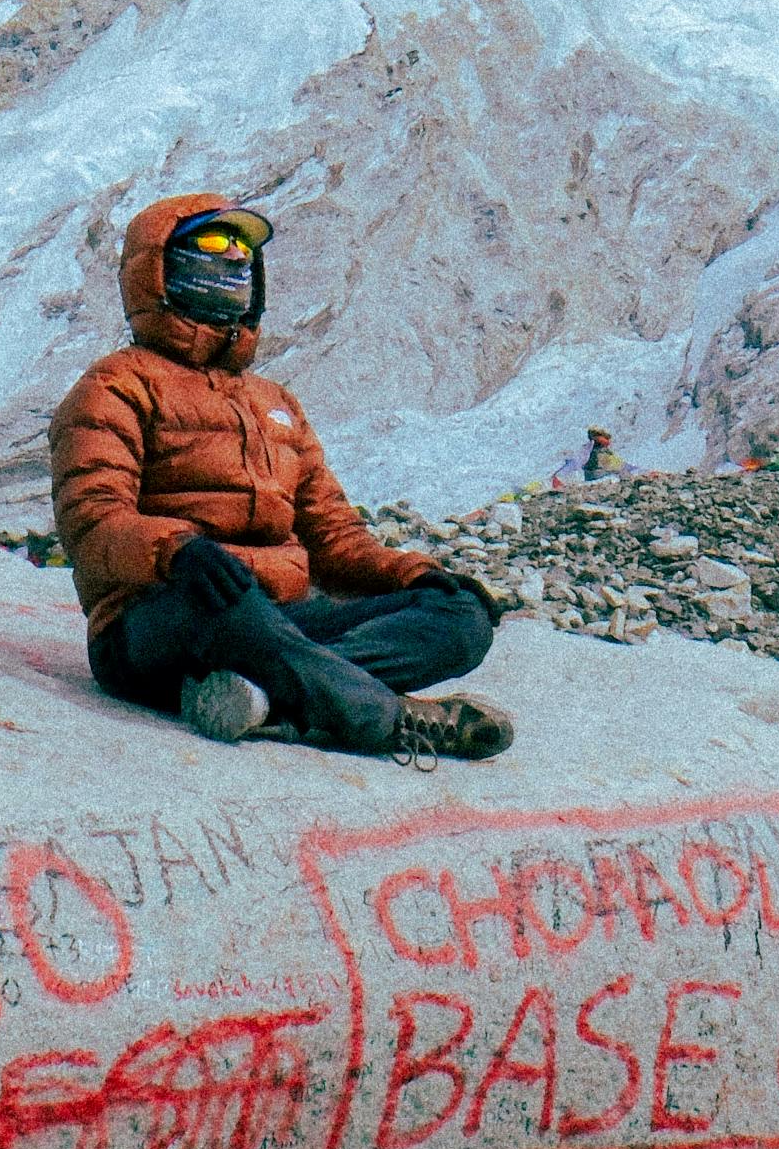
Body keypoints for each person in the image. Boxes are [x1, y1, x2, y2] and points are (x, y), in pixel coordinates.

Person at [49, 193, 513, 757]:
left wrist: (415, 574)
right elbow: (94, 519)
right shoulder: (114, 386)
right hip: (159, 619)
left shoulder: (276, 403)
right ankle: (388, 719)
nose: (232, 263)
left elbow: (334, 538)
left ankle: (271, 697)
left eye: (242, 253)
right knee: (229, 611)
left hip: (278, 621)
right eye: (211, 249)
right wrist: (177, 551)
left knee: (459, 616)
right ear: (160, 269)